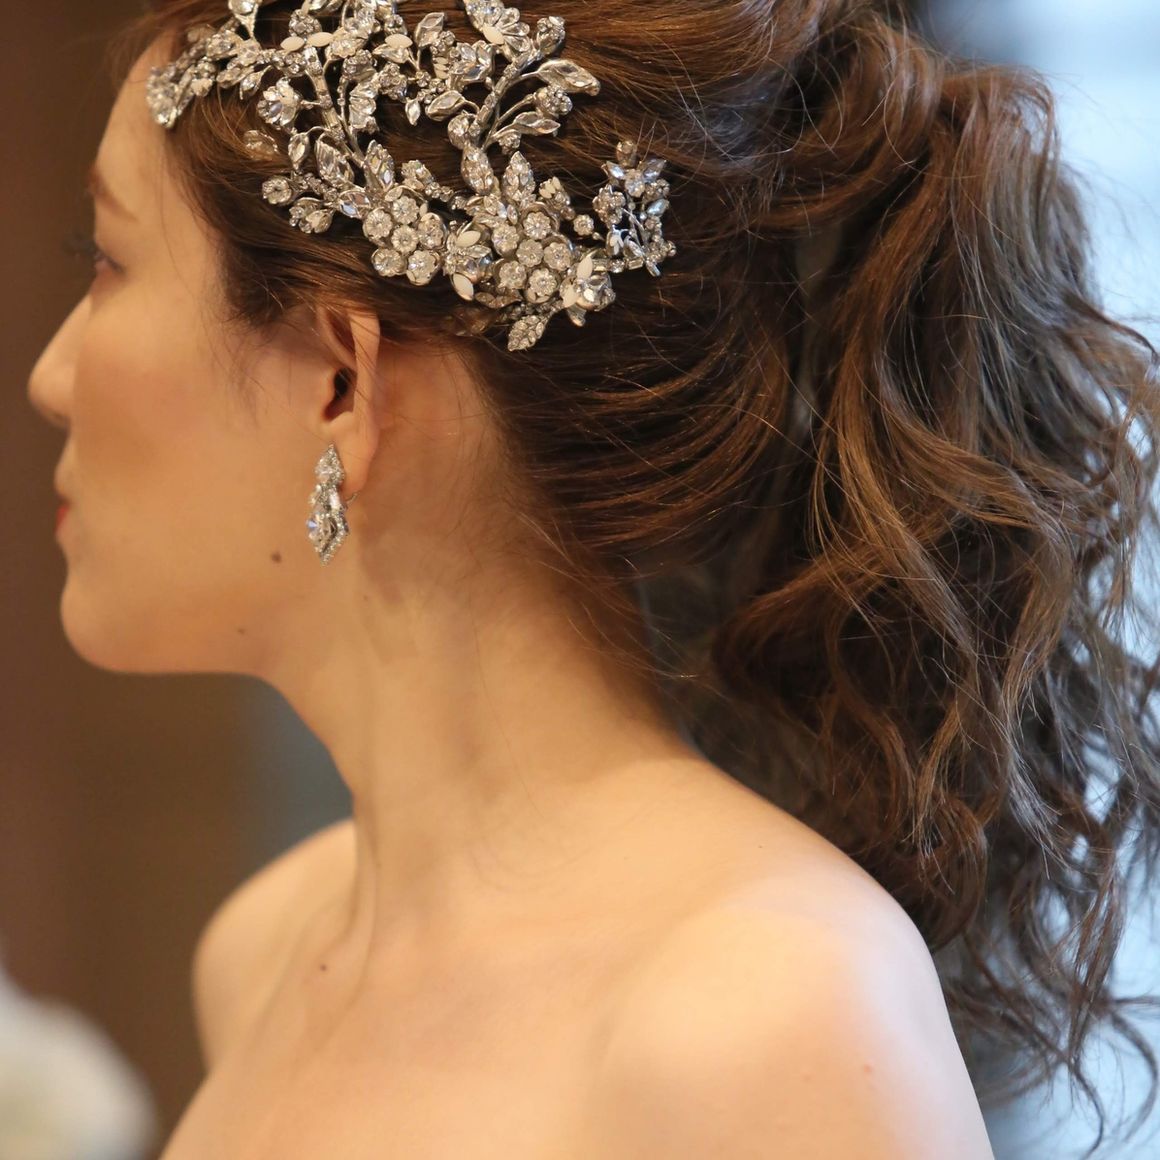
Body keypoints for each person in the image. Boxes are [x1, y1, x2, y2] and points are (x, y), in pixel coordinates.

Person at [26, 0, 1160, 1156]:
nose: (49, 377)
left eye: (108, 261)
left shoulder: (765, 1013)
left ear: (340, 380)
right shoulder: (266, 950)